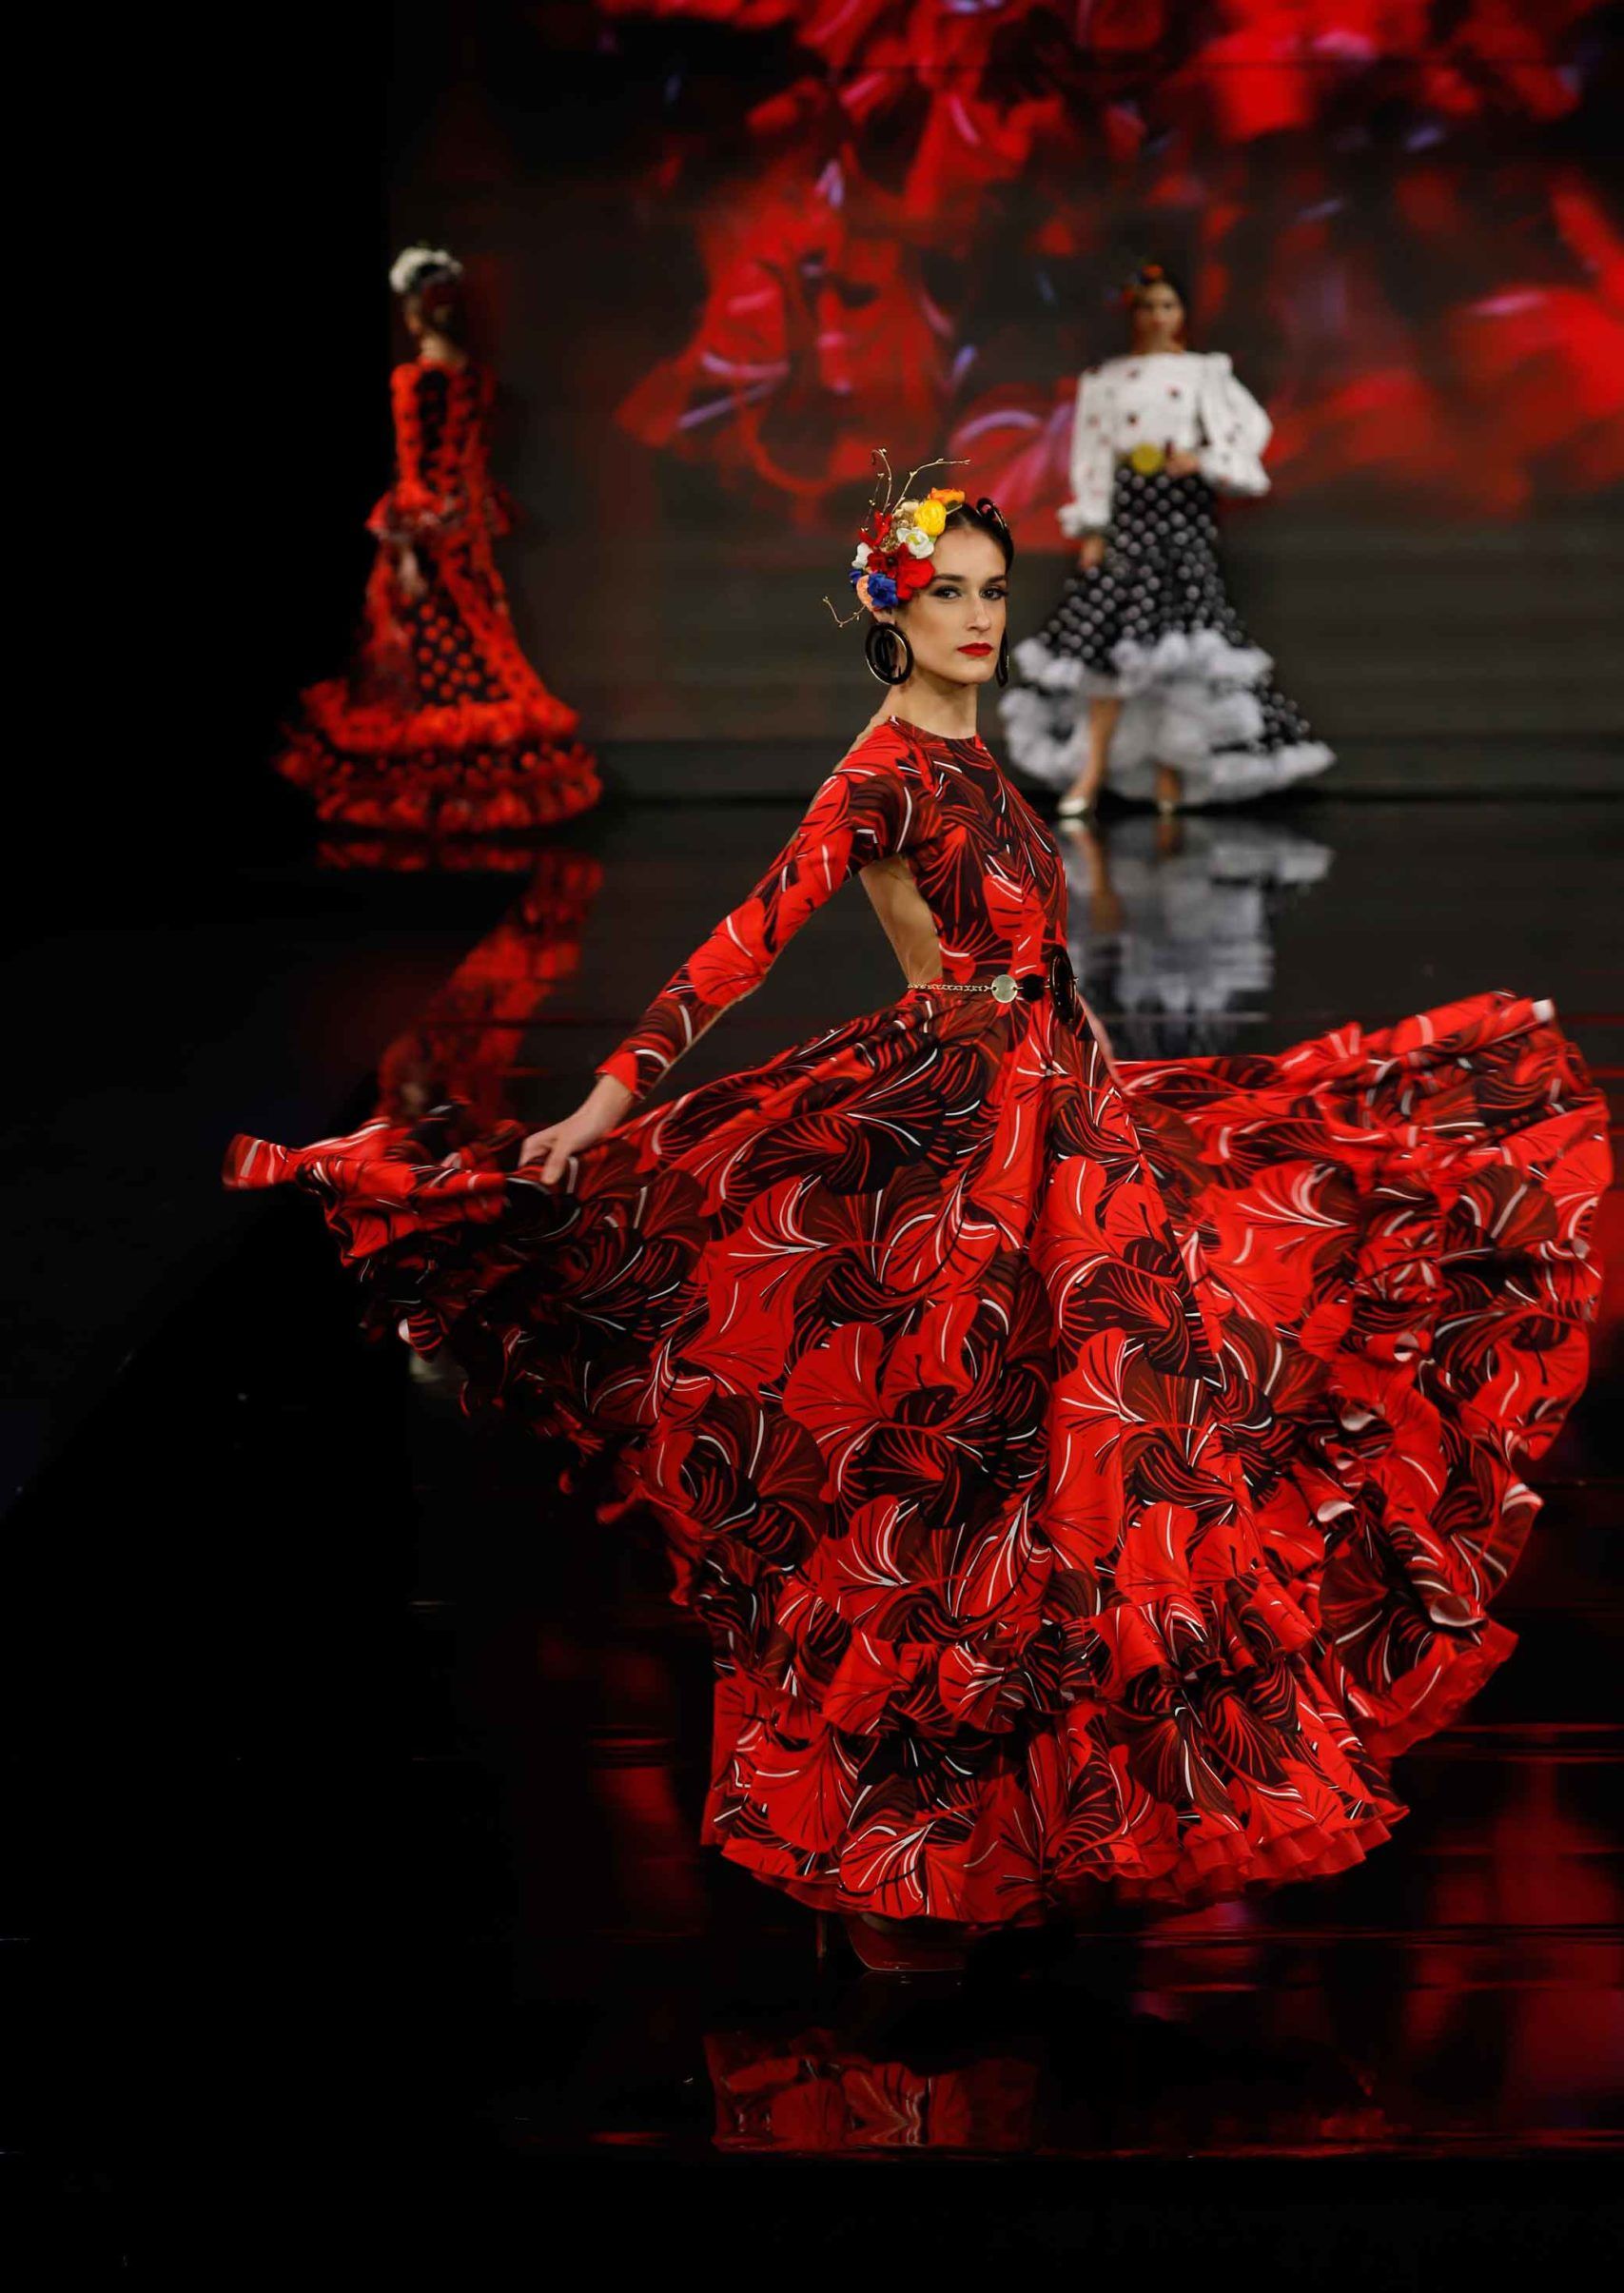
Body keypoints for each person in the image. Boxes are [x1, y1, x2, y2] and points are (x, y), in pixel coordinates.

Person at [226, 474, 1608, 1976]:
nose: (977, 617)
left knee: (1130, 1444)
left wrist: (1101, 1096)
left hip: (1070, 1123)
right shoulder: (877, 772)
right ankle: (935, 1838)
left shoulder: (977, 758)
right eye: (947, 590)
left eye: (993, 591)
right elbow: (737, 950)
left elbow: (1035, 965)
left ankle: (1086, 1818)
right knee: (988, 1476)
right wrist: (602, 1104)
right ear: (888, 605)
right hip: (970, 1142)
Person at [1001, 264, 1331, 859]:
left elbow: (1251, 428)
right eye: (1148, 306)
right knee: (1110, 646)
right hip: (1131, 510)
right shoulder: (1106, 380)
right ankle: (1091, 772)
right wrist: (1094, 525)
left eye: (1168, 306)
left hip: (1182, 513)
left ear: (1182, 314)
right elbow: (1093, 454)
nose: (1158, 317)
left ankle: (1170, 774)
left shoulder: (1205, 373)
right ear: (1134, 314)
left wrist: (1203, 457)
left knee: (1176, 649)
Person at [276, 245, 600, 836]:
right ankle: (460, 798)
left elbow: (416, 472)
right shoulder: (472, 380)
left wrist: (404, 549)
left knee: (430, 668)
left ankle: (441, 800)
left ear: (413, 313)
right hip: (465, 541)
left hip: (433, 545)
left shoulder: (417, 380)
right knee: (464, 662)